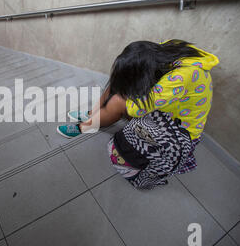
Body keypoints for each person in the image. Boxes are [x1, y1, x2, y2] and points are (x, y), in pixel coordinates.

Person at [56, 39, 219, 188]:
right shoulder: (168, 49)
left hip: (179, 132)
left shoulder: (180, 78)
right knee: (116, 84)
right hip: (169, 109)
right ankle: (92, 114)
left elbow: (136, 109)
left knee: (118, 101)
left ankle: (85, 126)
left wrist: (125, 96)